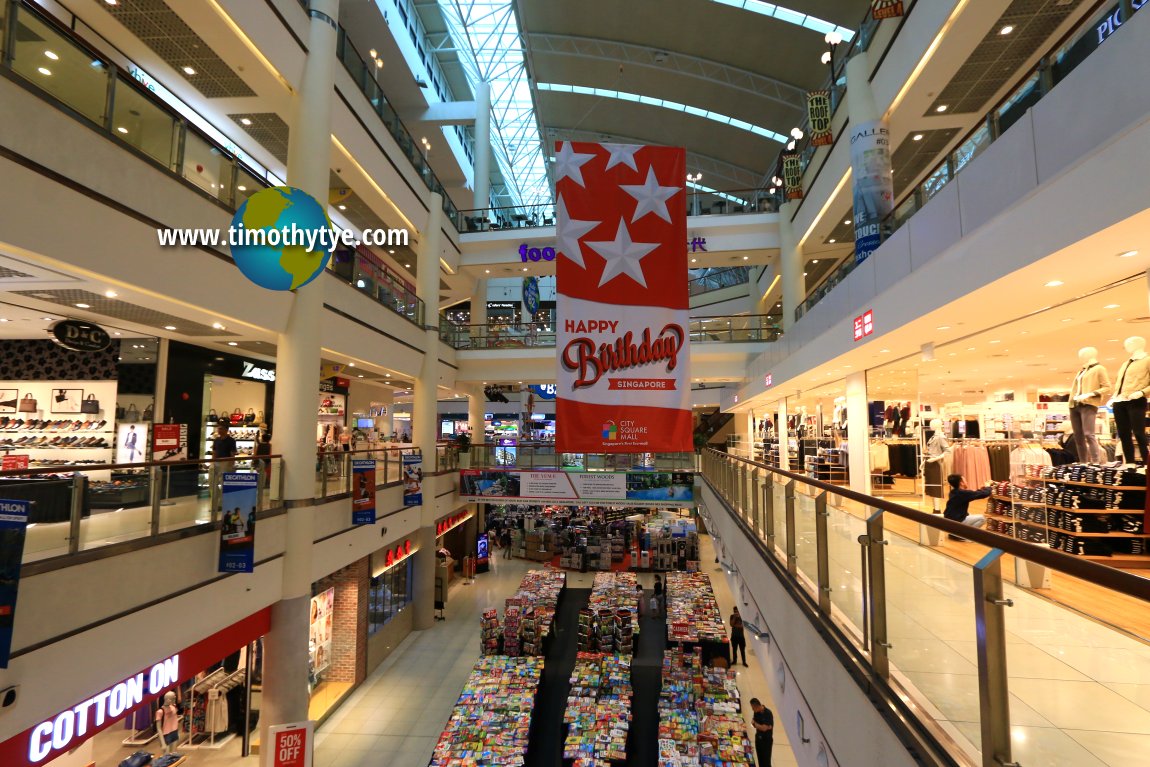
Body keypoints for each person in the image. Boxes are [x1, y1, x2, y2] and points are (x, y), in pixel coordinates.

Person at [944, 474, 990, 541]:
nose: (966, 482)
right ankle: (966, 537)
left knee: (969, 514)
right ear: (961, 483)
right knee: (982, 518)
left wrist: (982, 489)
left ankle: (955, 533)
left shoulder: (953, 492)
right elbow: (984, 494)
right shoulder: (963, 493)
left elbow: (973, 493)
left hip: (948, 522)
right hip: (956, 522)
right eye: (965, 480)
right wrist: (989, 487)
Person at [749, 697, 774, 766]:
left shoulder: (768, 713)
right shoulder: (756, 712)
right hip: (758, 739)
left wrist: (756, 724)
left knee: (766, 761)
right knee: (760, 760)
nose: (752, 709)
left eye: (753, 708)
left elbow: (764, 728)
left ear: (757, 706)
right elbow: (752, 724)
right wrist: (758, 725)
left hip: (766, 741)